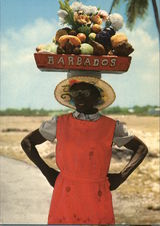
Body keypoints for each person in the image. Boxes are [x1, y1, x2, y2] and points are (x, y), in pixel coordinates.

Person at [21, 71, 148, 224]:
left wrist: (122, 176)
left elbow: (141, 148)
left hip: (97, 194)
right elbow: (27, 143)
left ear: (97, 96)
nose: (80, 97)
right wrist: (48, 172)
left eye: (86, 92)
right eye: (75, 92)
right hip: (65, 193)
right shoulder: (59, 123)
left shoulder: (112, 127)